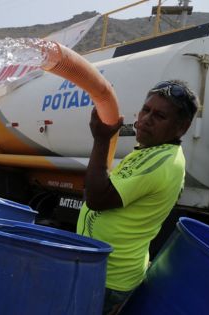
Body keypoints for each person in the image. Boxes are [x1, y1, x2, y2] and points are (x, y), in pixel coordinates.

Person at [76, 80, 199, 315]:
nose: (145, 119)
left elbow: (97, 198)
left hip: (108, 278)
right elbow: (99, 189)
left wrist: (101, 139)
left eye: (159, 116)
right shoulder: (153, 150)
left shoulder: (161, 161)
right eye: (146, 110)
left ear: (181, 127)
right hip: (99, 270)